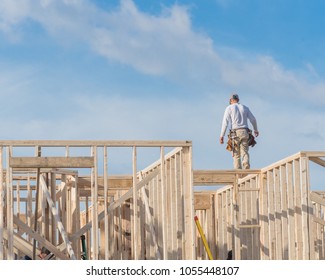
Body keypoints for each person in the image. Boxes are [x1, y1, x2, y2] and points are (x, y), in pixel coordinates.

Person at [220, 93, 259, 169]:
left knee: (236, 154)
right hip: (245, 132)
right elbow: (253, 119)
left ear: (231, 100)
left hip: (235, 133)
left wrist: (222, 135)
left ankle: (238, 174)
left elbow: (225, 123)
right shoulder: (245, 108)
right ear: (238, 100)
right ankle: (246, 165)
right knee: (244, 151)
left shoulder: (229, 108)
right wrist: (256, 130)